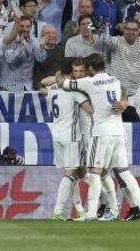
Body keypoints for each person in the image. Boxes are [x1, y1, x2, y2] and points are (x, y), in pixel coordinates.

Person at [61, 54, 140, 221]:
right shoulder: (115, 80)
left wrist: (61, 75)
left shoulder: (89, 81)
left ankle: (91, 213)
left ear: (91, 69)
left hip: (101, 133)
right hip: (118, 131)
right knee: (124, 171)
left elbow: (63, 84)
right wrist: (123, 101)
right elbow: (124, 90)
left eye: (86, 69)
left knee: (94, 172)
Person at [45, 59, 92, 221]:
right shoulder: (74, 92)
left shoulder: (52, 89)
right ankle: (58, 211)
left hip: (56, 135)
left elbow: (43, 84)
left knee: (75, 174)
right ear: (70, 74)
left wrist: (57, 77)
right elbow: (90, 109)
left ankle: (80, 210)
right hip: (71, 137)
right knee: (71, 173)